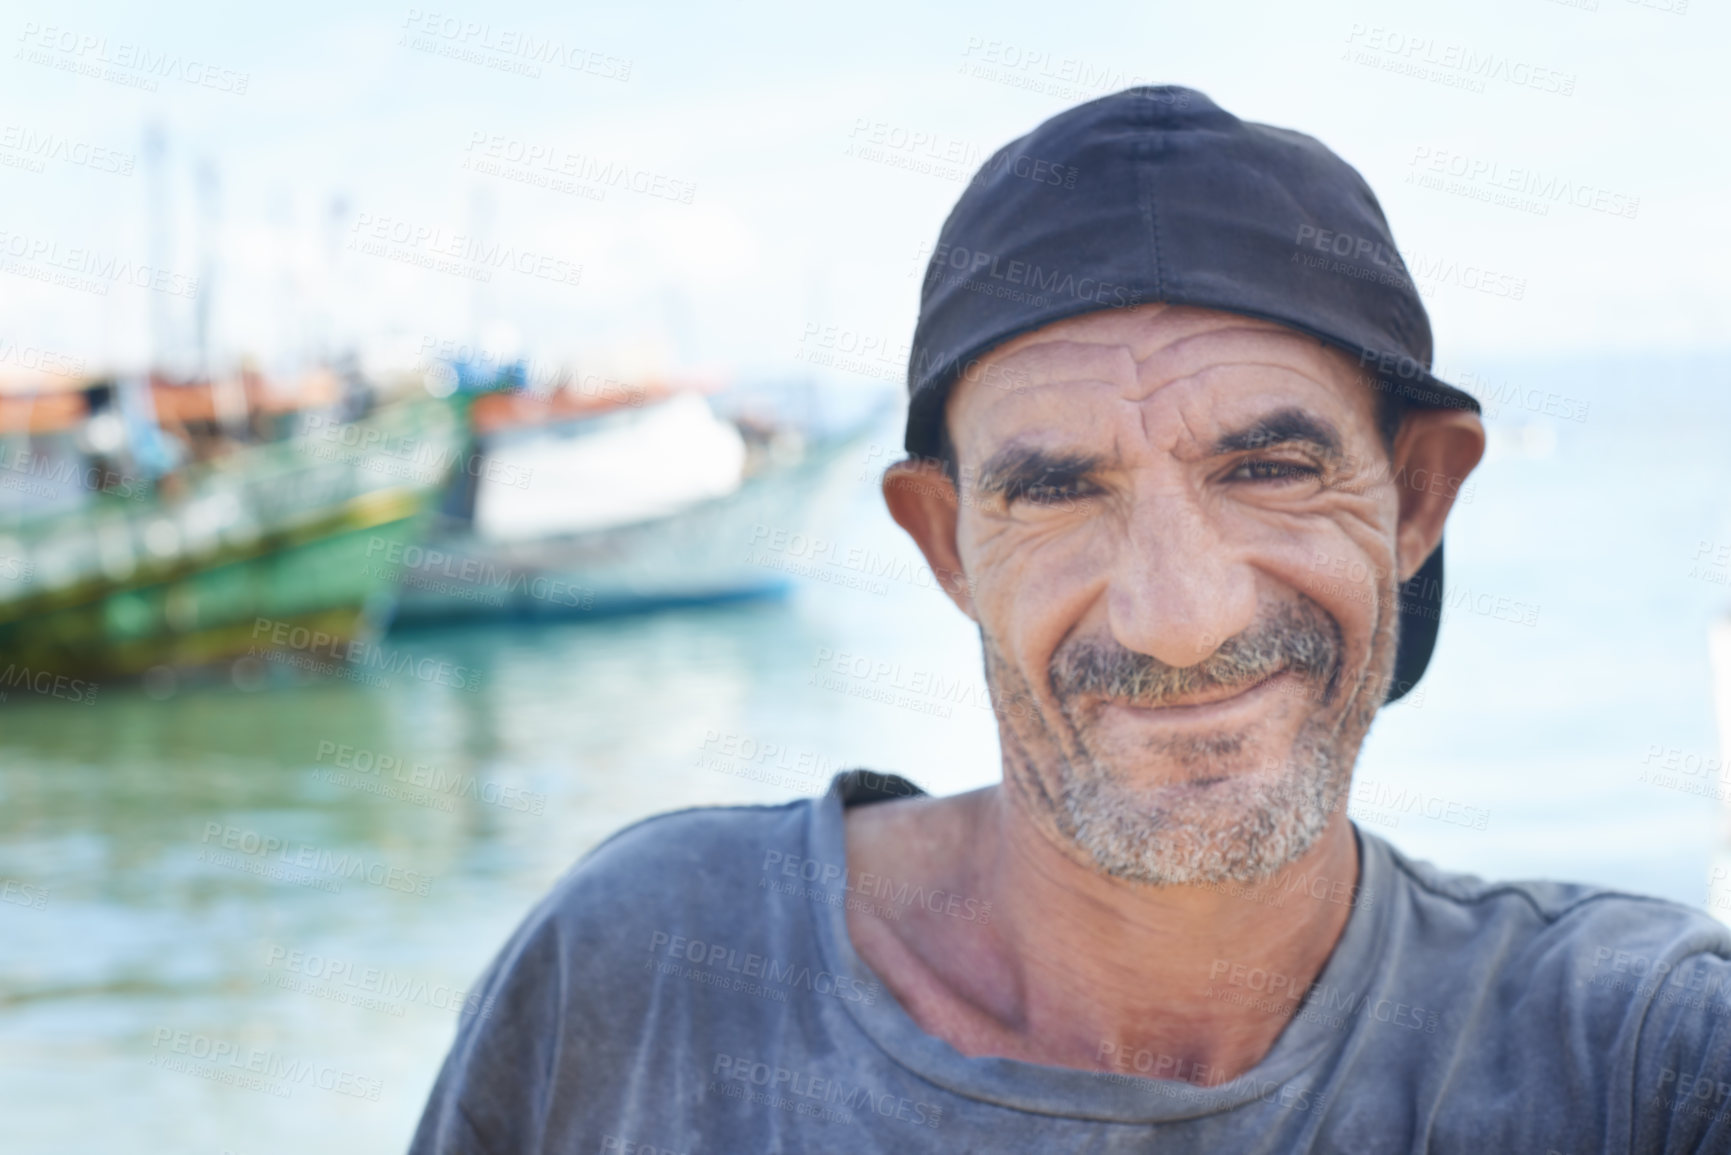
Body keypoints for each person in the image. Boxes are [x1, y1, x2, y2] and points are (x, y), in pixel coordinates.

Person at [408, 86, 1731, 1154]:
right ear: (947, 543)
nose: (1175, 620)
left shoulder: (1637, 1060)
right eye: (1055, 491)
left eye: (1268, 470)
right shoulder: (646, 977)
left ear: (1415, 497)